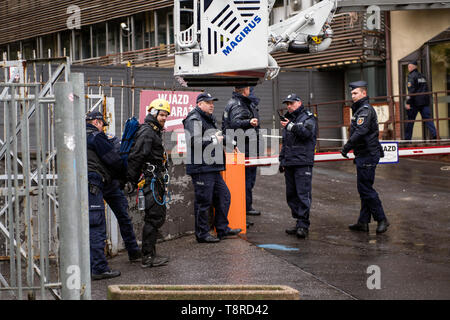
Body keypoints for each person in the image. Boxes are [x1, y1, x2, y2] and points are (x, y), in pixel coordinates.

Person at [183, 92, 242, 243]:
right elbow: (194, 142)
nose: (212, 105)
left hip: (212, 167)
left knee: (224, 196)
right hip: (202, 168)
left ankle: (222, 229)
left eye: (212, 102)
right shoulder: (194, 119)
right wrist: (214, 139)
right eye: (208, 102)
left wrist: (232, 144)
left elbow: (219, 135)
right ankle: (202, 234)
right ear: (199, 104)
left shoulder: (208, 119)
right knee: (204, 202)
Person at [126, 99, 171, 268]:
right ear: (153, 113)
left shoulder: (154, 132)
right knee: (154, 217)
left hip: (156, 180)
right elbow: (136, 156)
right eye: (161, 114)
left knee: (157, 216)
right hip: (151, 181)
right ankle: (147, 257)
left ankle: (151, 253)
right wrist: (130, 180)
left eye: (166, 115)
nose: (164, 118)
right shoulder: (147, 132)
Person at [341, 81, 389, 234]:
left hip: (368, 154)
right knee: (364, 189)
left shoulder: (365, 110)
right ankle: (363, 222)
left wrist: (347, 147)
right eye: (352, 93)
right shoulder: (360, 109)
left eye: (355, 93)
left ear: (363, 93)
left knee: (365, 189)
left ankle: (382, 219)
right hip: (364, 153)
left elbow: (361, 132)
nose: (352, 96)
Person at [86, 111, 128, 280]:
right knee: (96, 225)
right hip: (93, 183)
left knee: (84, 227)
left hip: (76, 184)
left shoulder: (75, 135)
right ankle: (99, 268)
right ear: (97, 122)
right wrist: (125, 175)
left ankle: (88, 264)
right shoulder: (96, 136)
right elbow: (113, 160)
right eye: (102, 123)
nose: (103, 127)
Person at [279, 94, 317, 239]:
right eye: (287, 104)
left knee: (303, 194)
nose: (289, 106)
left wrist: (291, 126)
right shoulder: (289, 119)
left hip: (302, 162)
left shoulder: (308, 117)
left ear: (299, 103)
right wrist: (282, 159)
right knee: (291, 195)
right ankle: (298, 221)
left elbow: (307, 133)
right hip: (290, 162)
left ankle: (303, 224)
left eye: (292, 103)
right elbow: (286, 142)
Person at [222, 86, 261, 217]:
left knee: (247, 181)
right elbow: (235, 123)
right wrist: (249, 122)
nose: (251, 91)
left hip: (244, 146)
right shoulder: (238, 104)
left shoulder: (241, 103)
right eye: (249, 88)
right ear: (245, 90)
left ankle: (245, 208)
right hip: (241, 147)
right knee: (243, 181)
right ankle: (241, 212)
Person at [404, 61, 437, 140]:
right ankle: (435, 135)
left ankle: (407, 140)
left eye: (409, 66)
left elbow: (411, 90)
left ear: (412, 67)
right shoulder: (422, 76)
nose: (408, 68)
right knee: (428, 119)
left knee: (410, 121)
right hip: (424, 102)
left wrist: (408, 102)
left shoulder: (411, 76)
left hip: (415, 102)